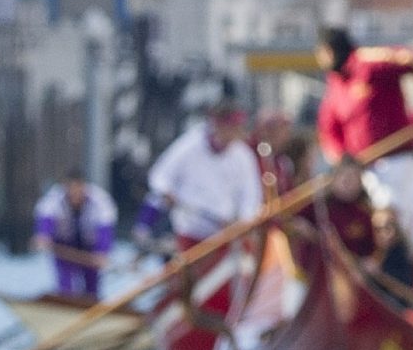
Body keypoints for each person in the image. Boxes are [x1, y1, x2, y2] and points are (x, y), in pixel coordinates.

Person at [142, 106, 265, 249]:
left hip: (224, 234)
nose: (235, 133)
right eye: (231, 127)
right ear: (218, 125)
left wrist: (244, 222)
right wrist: (167, 193)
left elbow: (251, 194)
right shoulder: (190, 145)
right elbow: (159, 176)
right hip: (190, 231)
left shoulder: (243, 155)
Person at [315, 27, 413, 165]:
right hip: (364, 169)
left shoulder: (368, 63)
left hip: (399, 159)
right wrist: (343, 162)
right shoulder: (335, 84)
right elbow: (329, 130)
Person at [35, 172, 117, 299]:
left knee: (92, 284)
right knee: (65, 283)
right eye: (71, 189)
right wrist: (44, 235)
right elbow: (46, 218)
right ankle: (66, 307)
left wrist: (102, 252)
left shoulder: (100, 200)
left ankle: (90, 307)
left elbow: (105, 229)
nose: (75, 194)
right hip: (64, 246)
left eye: (78, 189)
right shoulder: (54, 199)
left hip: (90, 247)